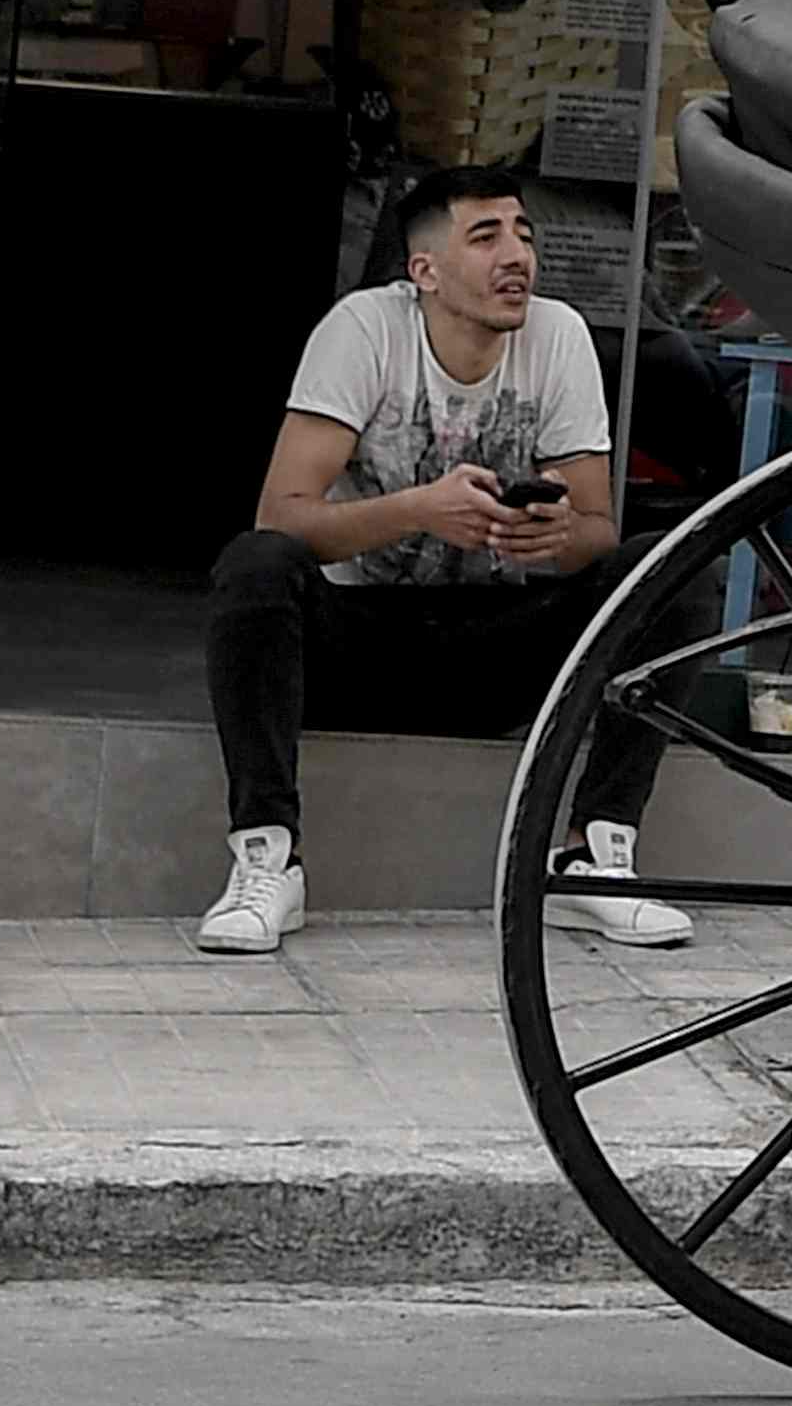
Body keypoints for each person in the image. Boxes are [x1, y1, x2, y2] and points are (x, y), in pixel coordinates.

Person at [195, 167, 692, 956]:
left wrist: (551, 538)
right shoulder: (363, 330)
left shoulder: (558, 337)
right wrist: (420, 510)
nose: (516, 256)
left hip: (499, 647)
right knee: (254, 566)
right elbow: (280, 514)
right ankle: (267, 858)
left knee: (668, 566)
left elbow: (598, 528)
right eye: (485, 236)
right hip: (360, 646)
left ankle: (595, 857)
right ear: (423, 270)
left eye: (524, 234)